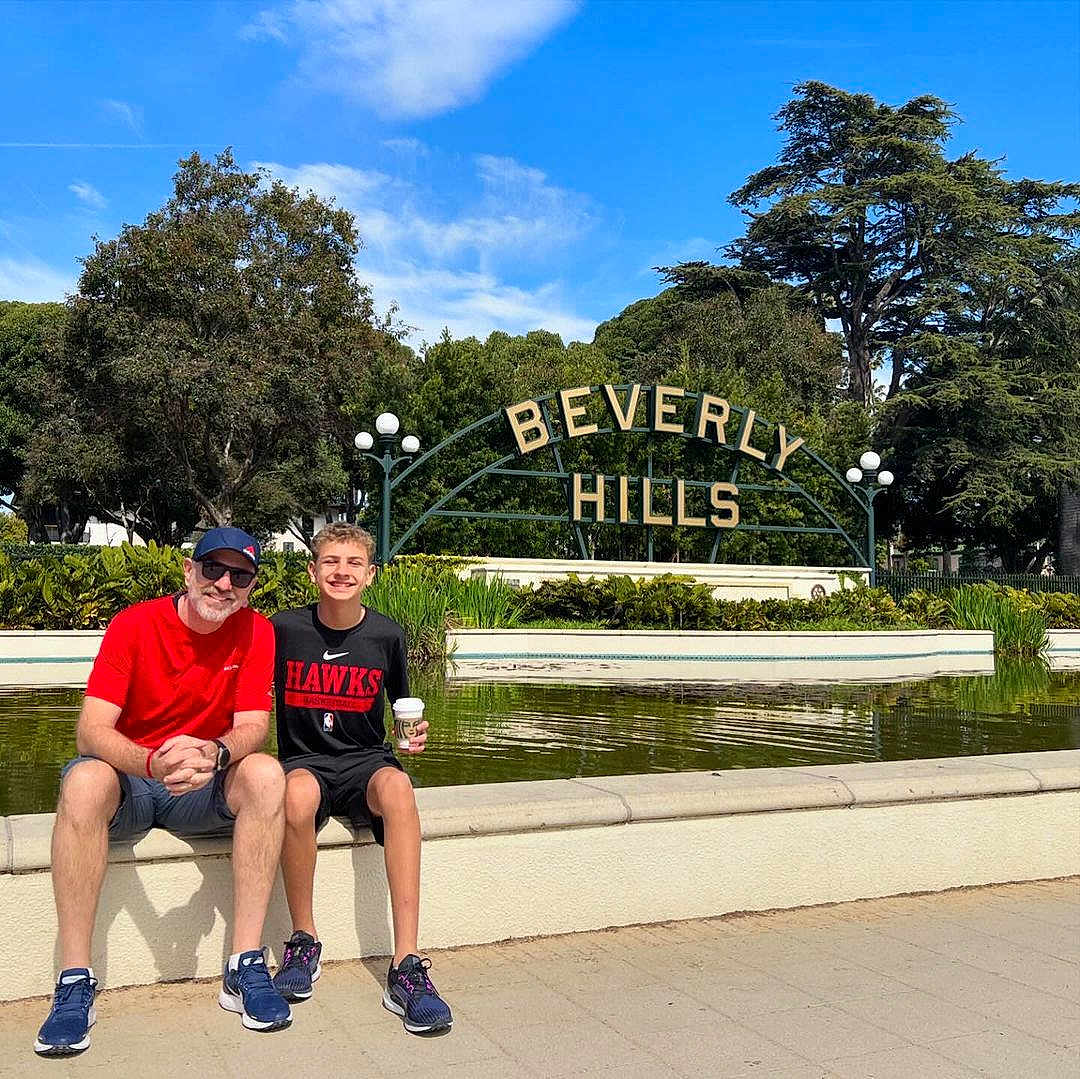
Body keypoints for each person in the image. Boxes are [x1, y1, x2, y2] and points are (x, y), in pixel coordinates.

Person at [35, 527, 292, 1057]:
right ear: (188, 570)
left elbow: (252, 727)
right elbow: (90, 732)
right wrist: (151, 762)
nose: (224, 584)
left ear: (251, 587)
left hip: (200, 784)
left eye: (240, 576)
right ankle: (74, 979)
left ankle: (244, 964)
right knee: (83, 779)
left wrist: (215, 754)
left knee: (267, 774)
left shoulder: (256, 632)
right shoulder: (135, 624)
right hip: (132, 780)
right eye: (213, 569)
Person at [270, 522, 452, 1034]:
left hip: (366, 761)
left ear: (370, 574)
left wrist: (411, 736)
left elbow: (403, 707)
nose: (341, 572)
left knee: (399, 788)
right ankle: (303, 941)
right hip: (305, 761)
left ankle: (407, 964)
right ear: (312, 571)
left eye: (353, 563)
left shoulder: (387, 634)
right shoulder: (282, 629)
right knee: (294, 794)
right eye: (330, 561)